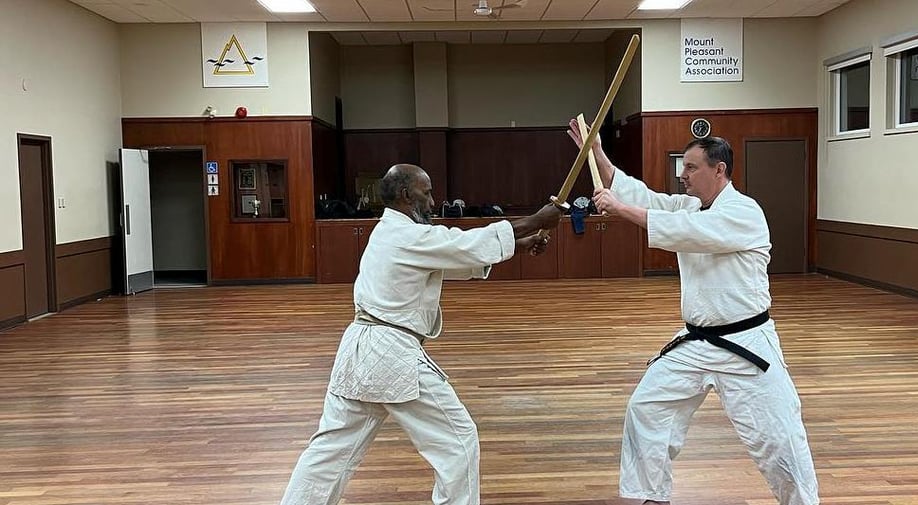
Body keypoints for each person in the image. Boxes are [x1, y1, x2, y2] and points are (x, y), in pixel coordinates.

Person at [567, 120, 819, 505]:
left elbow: (688, 231)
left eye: (690, 167)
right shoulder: (689, 206)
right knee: (646, 407)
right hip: (697, 344)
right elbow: (644, 195)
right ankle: (652, 496)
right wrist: (597, 152)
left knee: (778, 437)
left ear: (719, 170)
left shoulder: (744, 212)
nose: (681, 175)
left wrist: (619, 209)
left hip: (746, 345)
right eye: (681, 167)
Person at [279, 164, 562, 505]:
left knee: (332, 449)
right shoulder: (405, 235)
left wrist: (522, 242)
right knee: (458, 440)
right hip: (389, 353)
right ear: (405, 195)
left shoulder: (396, 233)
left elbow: (453, 257)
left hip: (359, 349)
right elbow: (461, 244)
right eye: (426, 192)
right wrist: (536, 219)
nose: (432, 200)